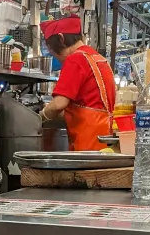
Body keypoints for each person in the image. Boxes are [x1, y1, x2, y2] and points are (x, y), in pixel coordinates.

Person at [39, 16, 115, 151]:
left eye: (53, 52)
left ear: (61, 39)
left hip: (87, 144)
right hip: (105, 141)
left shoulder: (75, 59)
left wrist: (40, 117)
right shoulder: (99, 60)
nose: (57, 59)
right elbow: (89, 106)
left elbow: (58, 104)